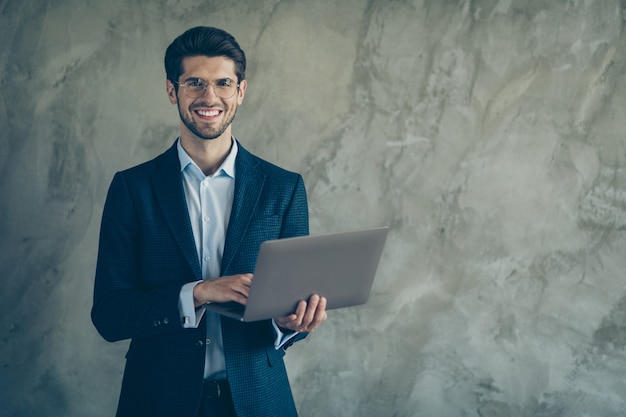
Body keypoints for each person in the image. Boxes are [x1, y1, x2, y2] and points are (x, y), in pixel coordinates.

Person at [91, 26, 327, 417]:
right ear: (172, 91)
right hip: (156, 399)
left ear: (241, 91)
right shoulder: (132, 189)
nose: (209, 97)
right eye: (195, 83)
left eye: (223, 83)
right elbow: (110, 315)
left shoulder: (283, 189)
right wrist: (198, 292)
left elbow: (289, 310)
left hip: (258, 399)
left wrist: (290, 324)